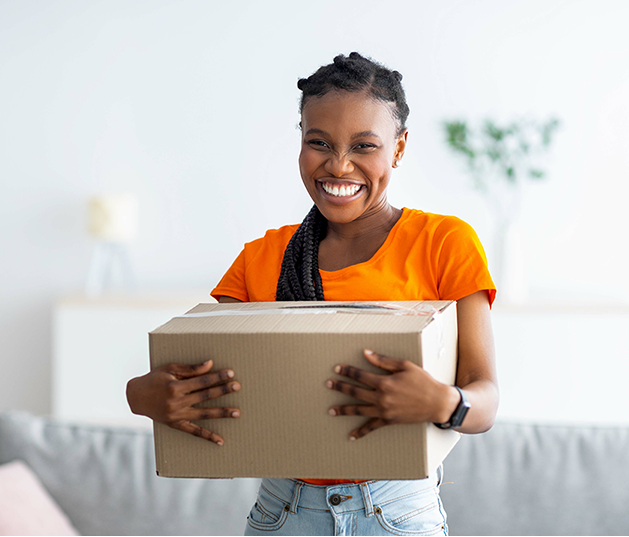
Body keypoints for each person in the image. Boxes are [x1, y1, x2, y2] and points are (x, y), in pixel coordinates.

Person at [126, 52, 498, 536]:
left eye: (364, 146)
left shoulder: (444, 243)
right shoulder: (263, 258)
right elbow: (200, 375)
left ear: (399, 148)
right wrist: (142, 395)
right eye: (318, 142)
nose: (339, 164)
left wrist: (443, 404)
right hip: (283, 512)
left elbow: (485, 399)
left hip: (397, 513)